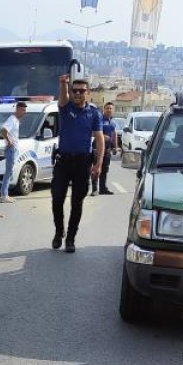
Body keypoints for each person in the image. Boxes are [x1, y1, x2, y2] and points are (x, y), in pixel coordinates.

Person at [50, 74, 104, 254]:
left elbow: (99, 139)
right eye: (75, 91)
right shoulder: (66, 108)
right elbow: (63, 98)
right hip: (63, 161)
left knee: (77, 202)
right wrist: (63, 84)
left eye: (82, 91)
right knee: (57, 198)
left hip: (82, 162)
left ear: (88, 92)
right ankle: (59, 232)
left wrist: (98, 164)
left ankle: (71, 238)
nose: (78, 94)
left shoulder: (94, 113)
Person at [0, 101, 25, 203]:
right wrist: (10, 142)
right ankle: (4, 195)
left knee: (9, 172)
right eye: (23, 110)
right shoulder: (12, 119)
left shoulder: (15, 120)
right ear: (17, 109)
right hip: (11, 150)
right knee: (8, 172)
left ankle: (4, 193)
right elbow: (3, 130)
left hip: (13, 149)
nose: (24, 112)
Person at [92, 101, 119, 197]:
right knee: (96, 168)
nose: (109, 110)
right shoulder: (99, 120)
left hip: (107, 149)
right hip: (97, 149)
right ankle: (94, 189)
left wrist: (115, 147)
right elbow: (94, 132)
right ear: (104, 109)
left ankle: (103, 188)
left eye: (111, 108)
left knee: (105, 169)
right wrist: (103, 136)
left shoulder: (112, 122)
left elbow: (114, 134)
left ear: (113, 110)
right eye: (107, 108)